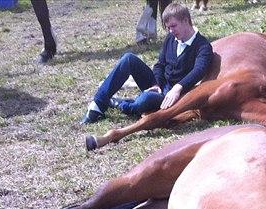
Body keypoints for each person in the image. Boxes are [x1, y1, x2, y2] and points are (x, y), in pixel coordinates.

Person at [81, 3, 212, 124]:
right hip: (160, 86)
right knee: (128, 58)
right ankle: (97, 105)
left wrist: (177, 88)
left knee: (144, 101)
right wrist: (156, 84)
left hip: (176, 95)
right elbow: (160, 64)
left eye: (173, 26)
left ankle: (118, 103)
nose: (171, 31)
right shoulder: (171, 38)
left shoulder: (202, 45)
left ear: (185, 20)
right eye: (168, 28)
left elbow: (199, 70)